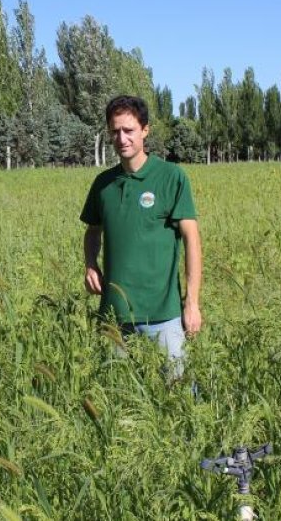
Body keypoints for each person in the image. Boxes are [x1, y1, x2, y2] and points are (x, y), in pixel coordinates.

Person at [81, 95, 202, 379]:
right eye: (115, 131)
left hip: (163, 315)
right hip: (115, 316)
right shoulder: (103, 184)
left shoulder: (171, 177)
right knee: (119, 396)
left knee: (179, 393)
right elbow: (92, 232)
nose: (121, 138)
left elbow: (192, 241)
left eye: (129, 130)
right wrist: (90, 264)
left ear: (145, 130)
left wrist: (192, 303)